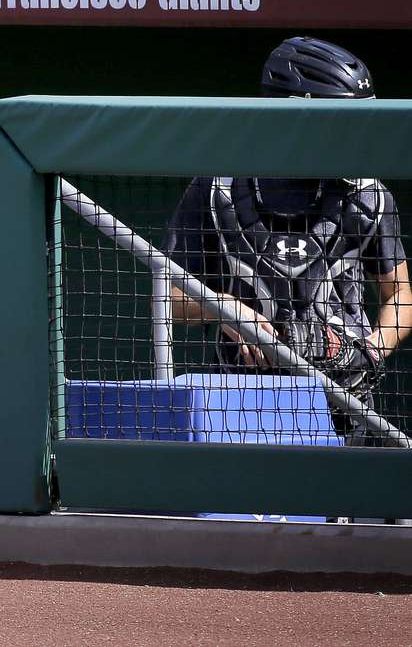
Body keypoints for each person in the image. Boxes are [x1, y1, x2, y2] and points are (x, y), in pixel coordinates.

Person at [163, 37, 412, 441]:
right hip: (241, 402)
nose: (356, 132)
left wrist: (372, 349)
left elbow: (399, 293)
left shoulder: (367, 193)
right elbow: (169, 298)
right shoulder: (218, 187)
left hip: (342, 404)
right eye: (344, 118)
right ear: (296, 111)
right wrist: (226, 309)